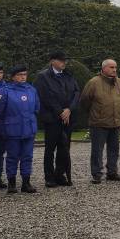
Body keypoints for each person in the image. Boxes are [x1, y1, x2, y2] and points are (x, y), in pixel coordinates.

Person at [33, 51, 80, 187]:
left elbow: (77, 92)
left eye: (64, 60)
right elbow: (45, 96)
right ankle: (49, 177)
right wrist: (60, 112)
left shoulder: (68, 75)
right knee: (50, 148)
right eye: (60, 60)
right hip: (52, 118)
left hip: (68, 117)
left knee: (64, 148)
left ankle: (60, 174)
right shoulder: (43, 77)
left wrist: (69, 109)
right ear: (52, 61)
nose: (63, 63)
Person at [0, 66, 40, 193]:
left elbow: (36, 108)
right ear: (13, 76)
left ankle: (26, 182)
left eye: (24, 74)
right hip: (12, 129)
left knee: (27, 156)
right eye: (19, 74)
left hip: (29, 129)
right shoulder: (5, 91)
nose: (23, 77)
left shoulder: (32, 90)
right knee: (12, 156)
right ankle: (12, 183)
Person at [80, 59, 120, 183]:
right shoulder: (93, 82)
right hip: (99, 123)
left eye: (115, 67)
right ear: (103, 68)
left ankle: (112, 172)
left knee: (114, 150)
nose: (114, 69)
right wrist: (96, 114)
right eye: (111, 67)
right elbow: (84, 101)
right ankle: (97, 174)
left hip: (115, 122)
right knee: (97, 151)